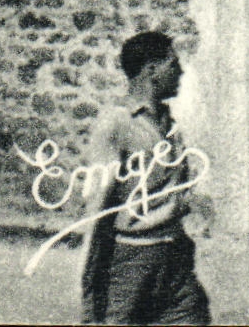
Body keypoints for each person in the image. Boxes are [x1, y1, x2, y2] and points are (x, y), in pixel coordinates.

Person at [79, 31, 210, 325]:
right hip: (130, 263)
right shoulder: (116, 124)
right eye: (173, 64)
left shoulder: (168, 123)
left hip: (175, 259)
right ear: (152, 70)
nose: (181, 71)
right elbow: (96, 210)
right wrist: (90, 291)